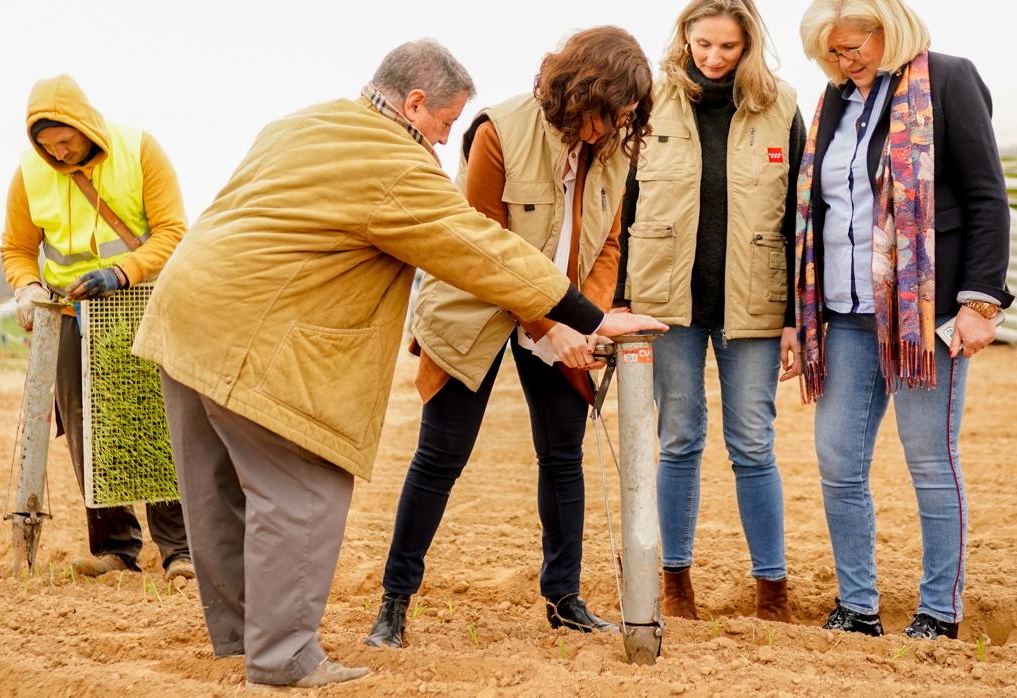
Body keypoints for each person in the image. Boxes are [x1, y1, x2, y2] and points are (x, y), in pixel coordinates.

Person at [131, 39, 666, 689]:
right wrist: (588, 316)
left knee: (217, 492)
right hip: (259, 337)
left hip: (182, 321)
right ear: (414, 104)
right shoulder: (392, 162)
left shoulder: (304, 121)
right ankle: (283, 658)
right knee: (304, 490)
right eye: (443, 126)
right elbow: (477, 248)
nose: (443, 144)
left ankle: (244, 638)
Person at [365, 27, 655, 650]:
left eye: (623, 118)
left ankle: (566, 599)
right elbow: (482, 251)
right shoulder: (498, 131)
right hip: (477, 309)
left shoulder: (617, 148)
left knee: (563, 458)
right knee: (441, 457)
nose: (608, 131)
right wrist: (550, 326)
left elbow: (608, 244)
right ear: (581, 93)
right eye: (606, 114)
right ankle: (393, 604)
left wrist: (586, 322)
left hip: (565, 314)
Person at [795, 0, 1012, 640]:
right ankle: (857, 606)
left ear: (891, 31)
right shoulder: (833, 100)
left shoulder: (947, 78)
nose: (845, 59)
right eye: (833, 51)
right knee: (838, 461)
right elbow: (822, 207)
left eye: (855, 45)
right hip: (848, 313)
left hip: (924, 316)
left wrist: (980, 302)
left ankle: (938, 614)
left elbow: (986, 195)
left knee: (930, 462)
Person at [615, 0, 804, 622]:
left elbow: (801, 218)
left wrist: (795, 315)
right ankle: (675, 584)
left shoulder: (781, 106)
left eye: (727, 46)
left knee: (753, 443)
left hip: (754, 302)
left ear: (748, 44)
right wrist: (616, 300)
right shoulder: (652, 103)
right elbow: (624, 204)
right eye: (703, 45)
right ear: (685, 39)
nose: (714, 58)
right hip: (667, 303)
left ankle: (771, 590)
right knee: (679, 439)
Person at [0, 75, 193, 583]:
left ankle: (179, 550)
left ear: (86, 125)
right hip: (70, 314)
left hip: (140, 301)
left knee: (153, 420)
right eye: (46, 147)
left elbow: (174, 230)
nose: (58, 155)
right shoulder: (29, 175)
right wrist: (26, 286)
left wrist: (122, 272)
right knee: (84, 426)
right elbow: (17, 248)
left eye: (65, 141)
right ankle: (115, 548)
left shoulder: (140, 150)